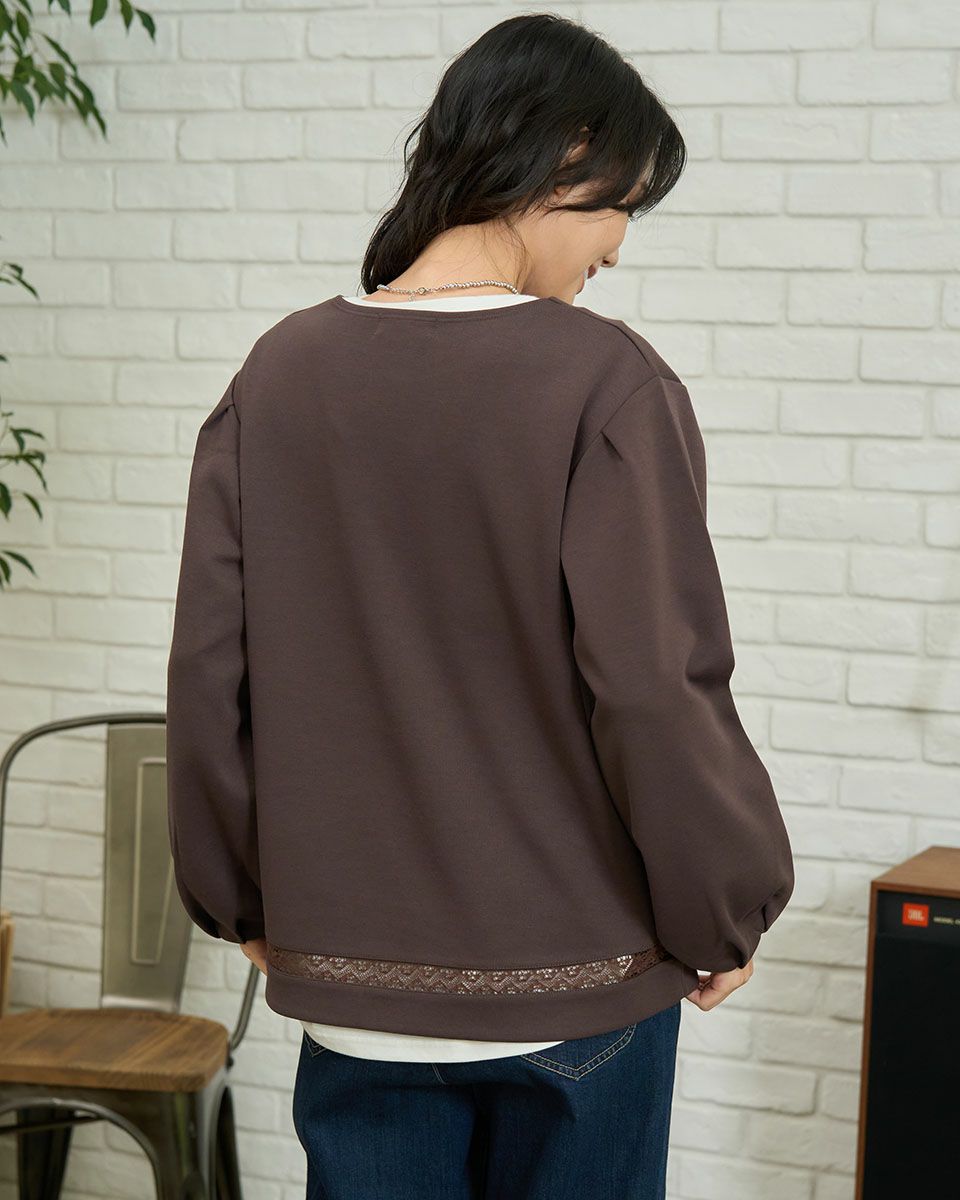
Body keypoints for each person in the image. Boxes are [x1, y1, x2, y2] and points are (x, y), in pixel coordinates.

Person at [165, 12, 795, 1199]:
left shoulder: (278, 375)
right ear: (567, 155)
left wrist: (238, 892)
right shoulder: (604, 382)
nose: (617, 247)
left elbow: (209, 673)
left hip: (353, 991)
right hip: (581, 983)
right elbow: (654, 686)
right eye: (621, 206)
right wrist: (723, 905)